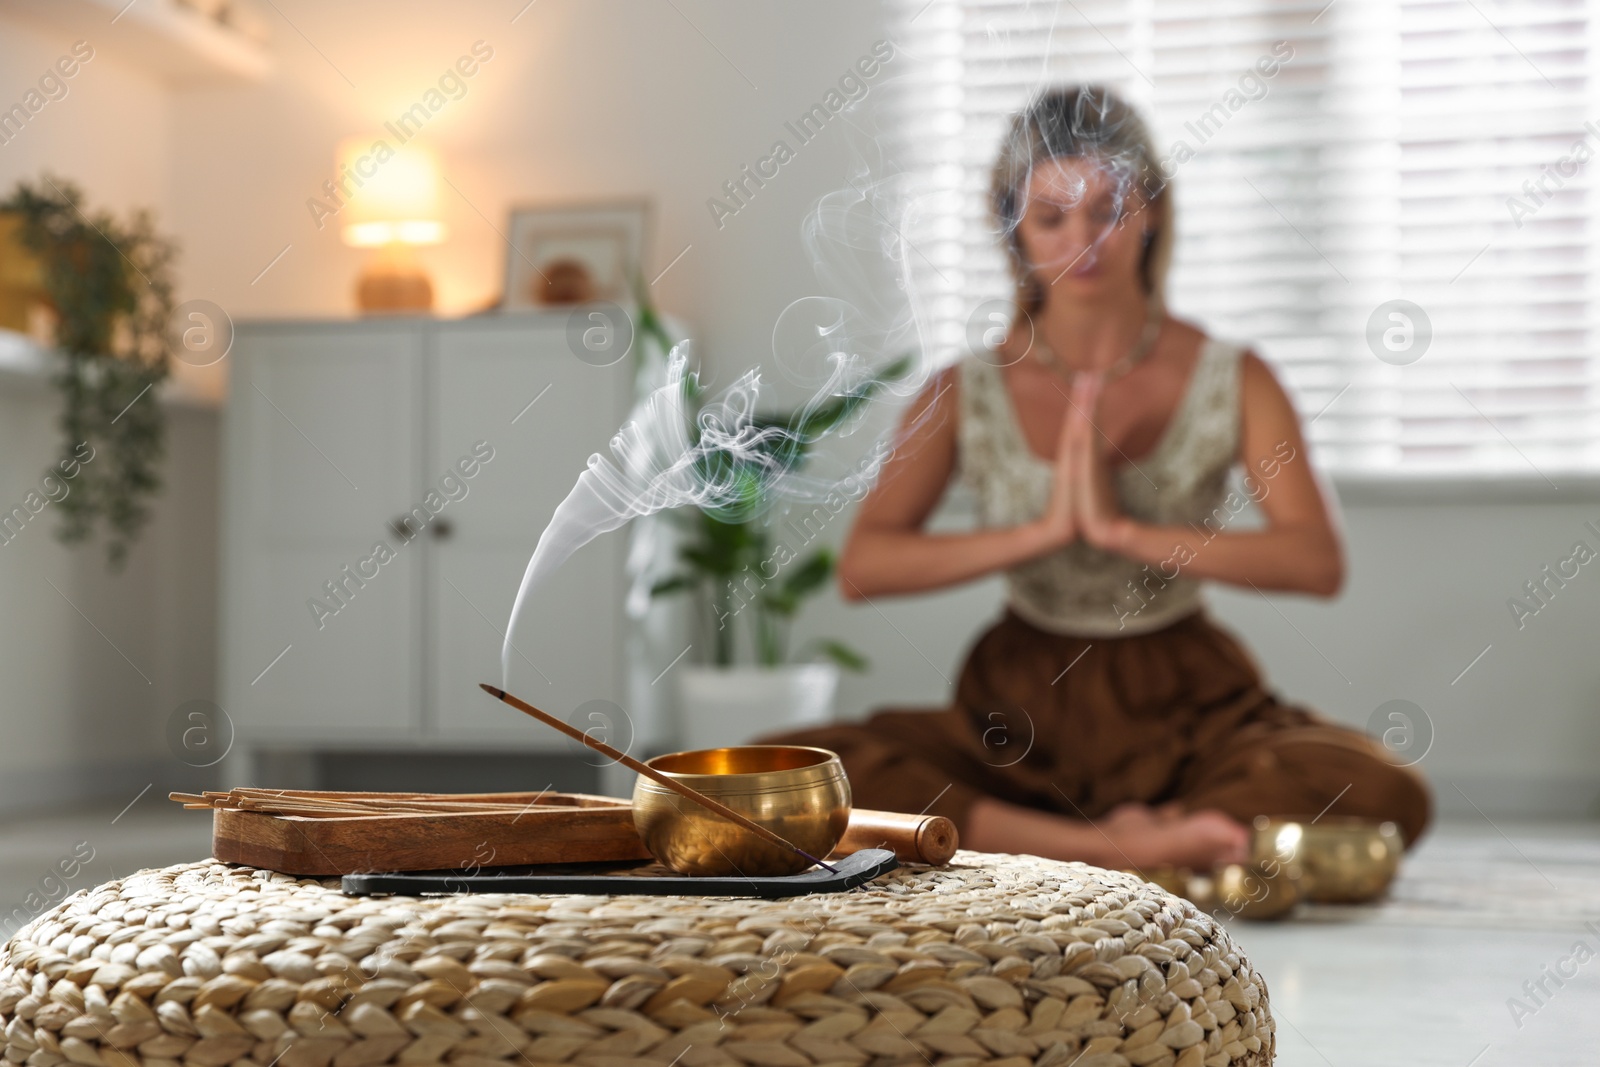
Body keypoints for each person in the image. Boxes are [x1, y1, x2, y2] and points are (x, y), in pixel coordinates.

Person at [759, 85, 1431, 872]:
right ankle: (1129, 847)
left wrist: (1125, 531)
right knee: (798, 773)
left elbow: (1316, 561)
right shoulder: (962, 388)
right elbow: (866, 567)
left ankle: (1084, 838)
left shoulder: (1235, 375)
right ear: (1014, 227)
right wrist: (1041, 532)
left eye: (1107, 211)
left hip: (1190, 694)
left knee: (1389, 789)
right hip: (1016, 707)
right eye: (1050, 218)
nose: (1083, 242)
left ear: (1149, 213)